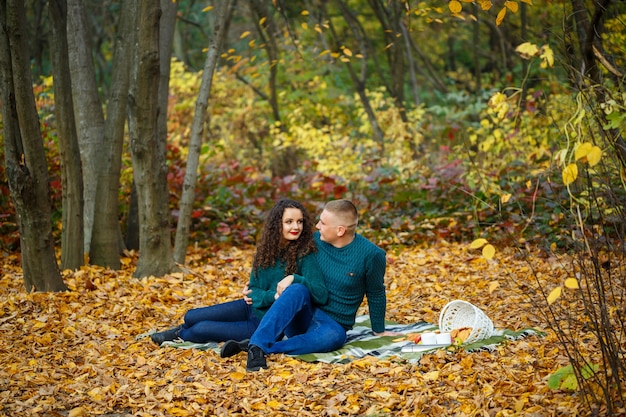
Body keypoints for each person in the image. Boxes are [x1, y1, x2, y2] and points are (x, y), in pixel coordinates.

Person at [220, 199, 399, 371]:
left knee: (335, 338)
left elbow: (376, 293)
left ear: (340, 230)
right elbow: (278, 254)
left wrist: (379, 330)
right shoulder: (313, 240)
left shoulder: (371, 255)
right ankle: (259, 344)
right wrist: (255, 286)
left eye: (322, 223)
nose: (317, 226)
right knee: (297, 288)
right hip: (302, 312)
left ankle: (259, 346)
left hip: (333, 324)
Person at [149, 199, 328, 346]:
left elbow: (320, 294)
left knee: (200, 329)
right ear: (277, 224)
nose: (296, 226)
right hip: (249, 306)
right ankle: (182, 328)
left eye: (299, 221)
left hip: (261, 322)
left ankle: (181, 333)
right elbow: (254, 290)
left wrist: (290, 283)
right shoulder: (266, 251)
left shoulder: (306, 253)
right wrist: (269, 296)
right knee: (191, 315)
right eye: (289, 222)